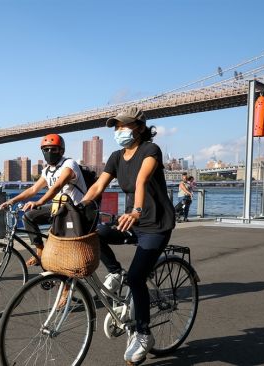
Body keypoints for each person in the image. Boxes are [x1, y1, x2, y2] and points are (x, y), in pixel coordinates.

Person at [80, 106, 175, 365]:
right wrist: (78, 206)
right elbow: (99, 185)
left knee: (136, 278)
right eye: (116, 127)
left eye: (124, 126)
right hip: (131, 222)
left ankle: (144, 333)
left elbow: (142, 181)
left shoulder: (150, 151)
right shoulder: (116, 156)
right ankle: (115, 272)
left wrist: (135, 210)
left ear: (140, 128)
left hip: (155, 224)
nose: (119, 131)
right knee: (97, 232)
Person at [0, 133, 87, 265]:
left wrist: (39, 202)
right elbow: (33, 190)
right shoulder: (47, 171)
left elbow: (57, 186)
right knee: (28, 216)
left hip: (74, 210)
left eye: (53, 149)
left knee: (62, 249)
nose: (49, 152)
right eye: (46, 149)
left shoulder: (69, 164)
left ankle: (67, 282)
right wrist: (12, 201)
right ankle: (40, 252)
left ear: (61, 150)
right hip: (58, 209)